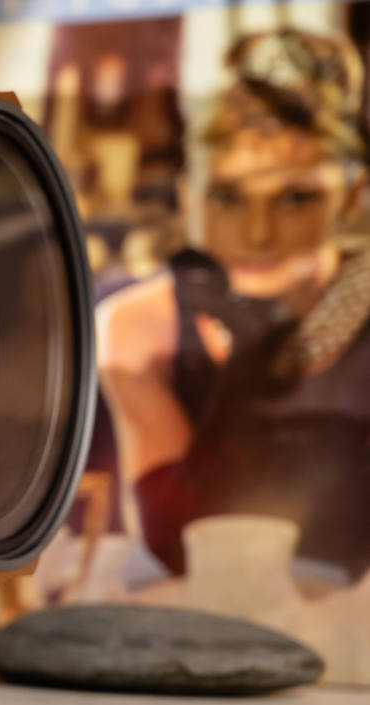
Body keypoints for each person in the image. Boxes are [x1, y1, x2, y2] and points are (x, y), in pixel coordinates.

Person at [97, 29, 370, 580]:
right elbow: (178, 543)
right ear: (187, 196)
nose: (257, 233)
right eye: (227, 197)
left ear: (353, 197)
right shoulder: (139, 325)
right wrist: (244, 374)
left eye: (296, 198)